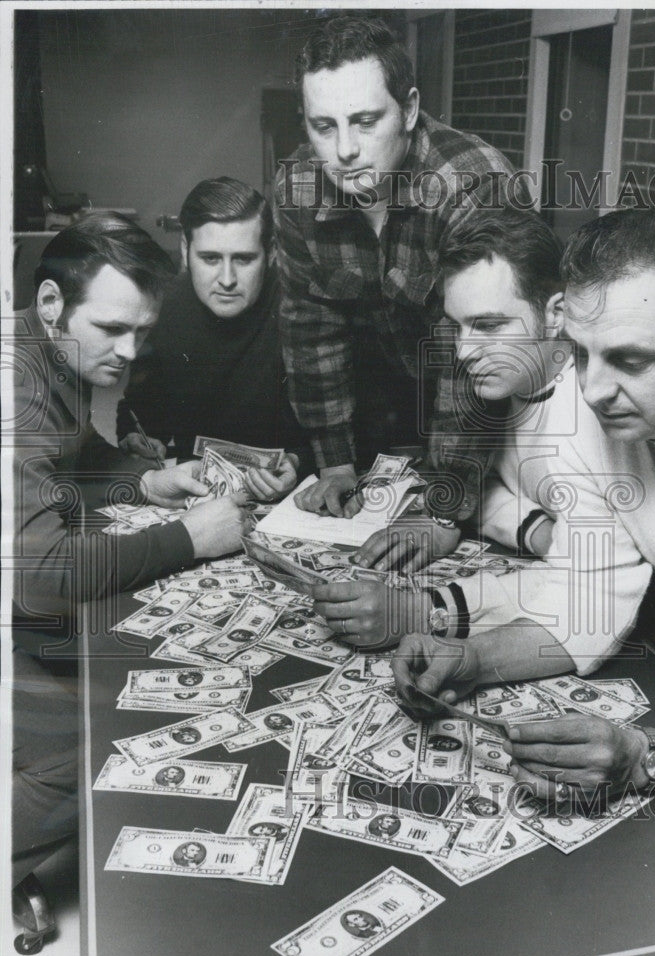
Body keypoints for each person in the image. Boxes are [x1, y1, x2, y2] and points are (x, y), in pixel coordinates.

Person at [391, 207, 655, 797]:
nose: (590, 390)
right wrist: (472, 658)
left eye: (631, 359)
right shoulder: (605, 421)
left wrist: (650, 755)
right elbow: (583, 600)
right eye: (583, 355)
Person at [11, 213, 252, 899]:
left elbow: (75, 457)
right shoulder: (16, 388)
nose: (129, 351)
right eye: (113, 329)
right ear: (53, 304)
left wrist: (146, 480)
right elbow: (41, 579)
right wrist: (188, 539)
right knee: (89, 744)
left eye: (142, 332)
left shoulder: (51, 349)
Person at [276, 14, 526, 517]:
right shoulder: (295, 190)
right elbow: (312, 331)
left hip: (499, 417)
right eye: (323, 126)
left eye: (366, 121)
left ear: (409, 110)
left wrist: (446, 503)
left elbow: (476, 354)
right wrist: (336, 465)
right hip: (388, 408)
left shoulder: (475, 183)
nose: (345, 151)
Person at [312, 208, 568, 646]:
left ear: (555, 314)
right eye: (458, 326)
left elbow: (591, 583)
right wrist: (539, 531)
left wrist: (421, 611)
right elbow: (484, 489)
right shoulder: (504, 382)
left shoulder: (600, 407)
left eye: (488, 325)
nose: (465, 351)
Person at [117, 176, 309, 501]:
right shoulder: (163, 307)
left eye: (244, 259)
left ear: (272, 253)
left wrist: (298, 461)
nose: (227, 280)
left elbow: (355, 423)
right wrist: (137, 437)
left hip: (289, 497)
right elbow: (141, 413)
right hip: (197, 491)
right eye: (210, 259)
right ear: (184, 250)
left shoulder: (303, 305)